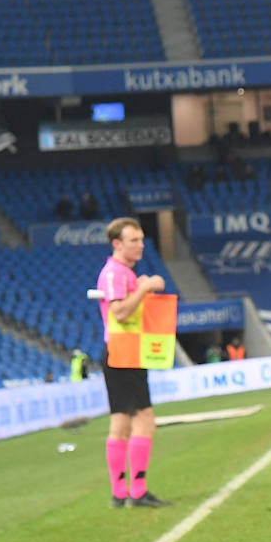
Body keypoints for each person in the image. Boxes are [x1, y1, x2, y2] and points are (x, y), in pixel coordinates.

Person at [96, 217, 171, 510]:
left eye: (141, 240)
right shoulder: (114, 273)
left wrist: (143, 287)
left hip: (127, 353)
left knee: (122, 423)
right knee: (144, 422)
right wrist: (145, 287)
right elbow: (120, 313)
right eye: (134, 240)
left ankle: (120, 493)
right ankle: (136, 491)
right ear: (117, 243)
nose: (140, 245)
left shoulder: (123, 273)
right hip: (123, 354)